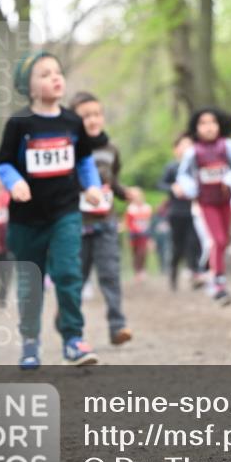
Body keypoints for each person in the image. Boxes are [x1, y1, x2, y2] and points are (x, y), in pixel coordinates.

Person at [0, 51, 103, 369]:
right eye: (45, 74)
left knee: (69, 273)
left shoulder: (72, 121)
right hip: (26, 220)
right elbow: (3, 163)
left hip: (65, 212)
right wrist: (14, 182)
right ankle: (30, 342)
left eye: (57, 72)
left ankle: (74, 339)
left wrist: (93, 185)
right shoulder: (19, 123)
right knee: (31, 283)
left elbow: (83, 160)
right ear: (28, 87)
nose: (55, 77)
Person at [71, 91, 137, 346]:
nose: (92, 119)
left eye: (96, 114)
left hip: (106, 221)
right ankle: (71, 325)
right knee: (77, 277)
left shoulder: (111, 149)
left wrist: (124, 193)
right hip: (78, 224)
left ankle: (117, 326)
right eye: (85, 116)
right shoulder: (70, 148)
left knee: (110, 274)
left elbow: (113, 179)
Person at [177, 107, 231, 305]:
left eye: (212, 123)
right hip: (206, 202)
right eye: (203, 123)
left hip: (224, 201)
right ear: (196, 128)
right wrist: (191, 189)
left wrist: (229, 178)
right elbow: (183, 174)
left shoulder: (227, 146)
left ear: (219, 125)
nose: (208, 128)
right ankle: (218, 282)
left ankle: (216, 277)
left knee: (223, 240)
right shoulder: (193, 151)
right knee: (216, 240)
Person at [158, 133, 205, 291]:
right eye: (183, 145)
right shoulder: (172, 167)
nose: (186, 148)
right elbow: (161, 184)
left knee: (194, 242)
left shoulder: (197, 166)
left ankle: (195, 274)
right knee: (178, 246)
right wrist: (173, 188)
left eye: (189, 145)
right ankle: (173, 273)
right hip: (176, 212)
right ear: (175, 149)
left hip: (194, 211)